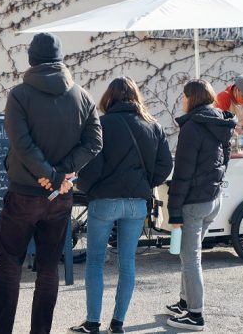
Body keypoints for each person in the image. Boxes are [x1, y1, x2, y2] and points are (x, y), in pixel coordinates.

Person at [0, 32, 103, 334]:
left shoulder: (19, 95)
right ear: (60, 58)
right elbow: (95, 142)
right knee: (49, 267)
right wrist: (62, 175)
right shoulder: (82, 96)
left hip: (24, 193)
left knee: (10, 264)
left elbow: (22, 144)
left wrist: (52, 175)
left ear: (31, 59)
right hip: (60, 198)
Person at [70, 77, 173, 334]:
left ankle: (92, 322)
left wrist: (87, 187)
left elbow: (91, 165)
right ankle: (118, 323)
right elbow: (165, 166)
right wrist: (145, 183)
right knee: (127, 262)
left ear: (110, 97)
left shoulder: (102, 124)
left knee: (95, 261)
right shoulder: (153, 126)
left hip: (104, 201)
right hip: (137, 203)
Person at [165, 80, 236, 331]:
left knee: (190, 258)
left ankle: (195, 314)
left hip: (194, 202)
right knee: (189, 256)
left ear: (190, 98)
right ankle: (185, 303)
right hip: (212, 200)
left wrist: (173, 211)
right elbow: (224, 159)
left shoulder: (192, 127)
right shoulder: (221, 123)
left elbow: (182, 173)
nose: (182, 100)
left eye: (183, 96)